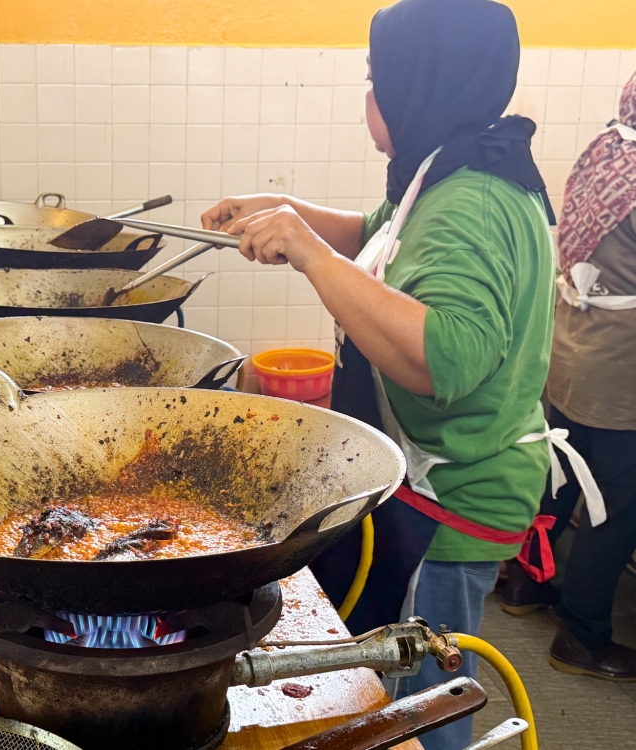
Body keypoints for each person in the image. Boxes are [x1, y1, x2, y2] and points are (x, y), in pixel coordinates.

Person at [202, 1, 557, 747]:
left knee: (423, 698)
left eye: (376, 79)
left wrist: (309, 253)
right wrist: (286, 212)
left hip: (451, 493)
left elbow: (444, 359)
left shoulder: (474, 202)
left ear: (419, 84)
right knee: (397, 670)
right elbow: (379, 240)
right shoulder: (453, 164)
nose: (369, 97)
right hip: (435, 477)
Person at [500, 72, 636, 681]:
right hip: (619, 368)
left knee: (559, 479)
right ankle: (582, 637)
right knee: (614, 507)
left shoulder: (608, 150)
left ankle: (526, 584)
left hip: (573, 349)